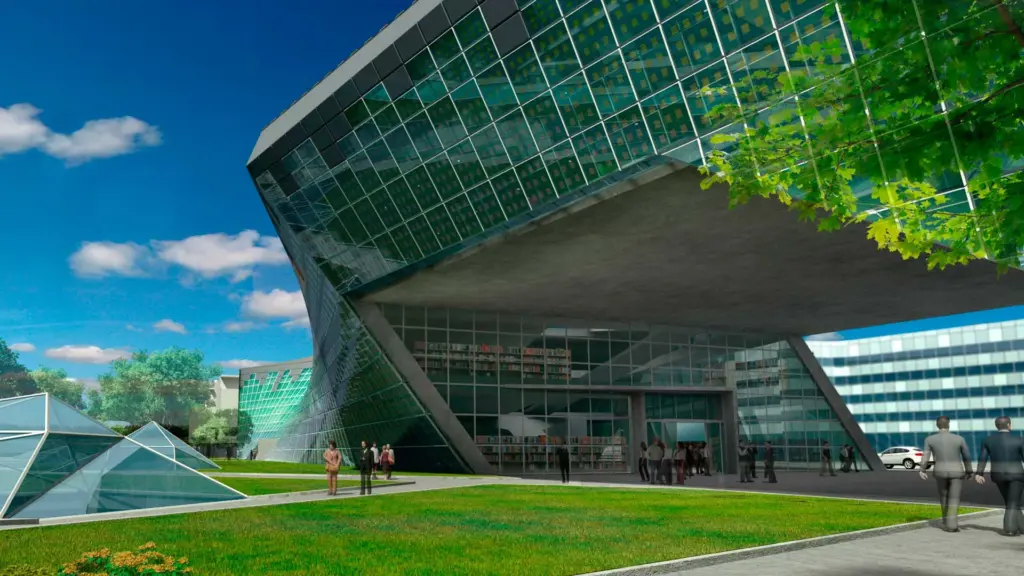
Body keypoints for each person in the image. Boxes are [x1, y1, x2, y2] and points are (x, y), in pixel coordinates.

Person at [920, 416, 973, 532]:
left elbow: (925, 456)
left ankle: (945, 520)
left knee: (943, 497)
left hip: (939, 472)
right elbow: (967, 457)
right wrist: (969, 471)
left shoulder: (929, 439)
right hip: (957, 472)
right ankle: (952, 525)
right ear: (948, 424)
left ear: (937, 425)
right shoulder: (959, 439)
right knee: (954, 498)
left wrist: (922, 469)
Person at [974, 416, 1024, 536]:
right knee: (1012, 503)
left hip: (998, 475)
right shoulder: (1020, 439)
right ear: (1009, 425)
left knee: (1011, 501)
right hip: (1016, 475)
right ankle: (1010, 529)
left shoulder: (988, 440)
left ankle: (1022, 527)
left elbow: (982, 458)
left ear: (997, 426)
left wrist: (979, 473)